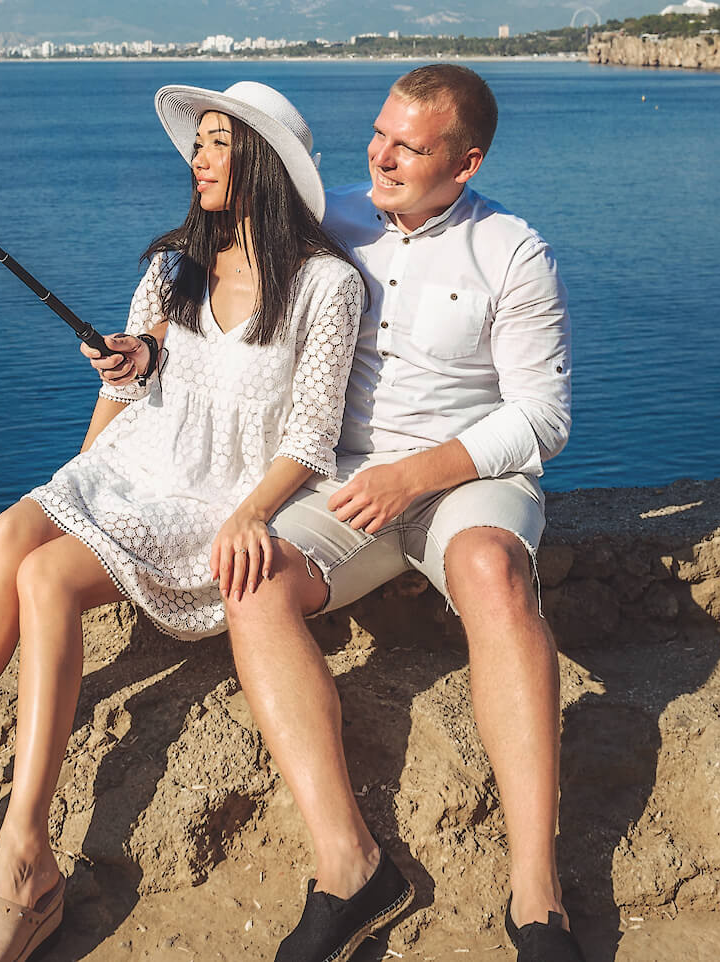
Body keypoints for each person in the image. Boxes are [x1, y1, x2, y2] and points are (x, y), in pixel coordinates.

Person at [0, 80, 367, 962]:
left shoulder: (324, 285)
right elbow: (129, 389)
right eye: (198, 141)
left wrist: (254, 516)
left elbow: (310, 440)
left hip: (217, 500)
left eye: (220, 142)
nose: (198, 155)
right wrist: (101, 416)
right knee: (10, 533)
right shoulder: (170, 265)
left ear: (264, 162)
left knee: (44, 575)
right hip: (135, 464)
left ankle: (25, 851)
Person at [209, 64, 580, 962]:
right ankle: (352, 866)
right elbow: (215, 261)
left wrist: (418, 477)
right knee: (250, 582)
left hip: (466, 482)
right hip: (347, 490)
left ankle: (538, 893)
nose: (380, 155)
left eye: (409, 147)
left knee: (492, 571)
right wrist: (143, 350)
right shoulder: (327, 218)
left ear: (466, 161)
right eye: (379, 133)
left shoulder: (512, 250)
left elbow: (544, 417)